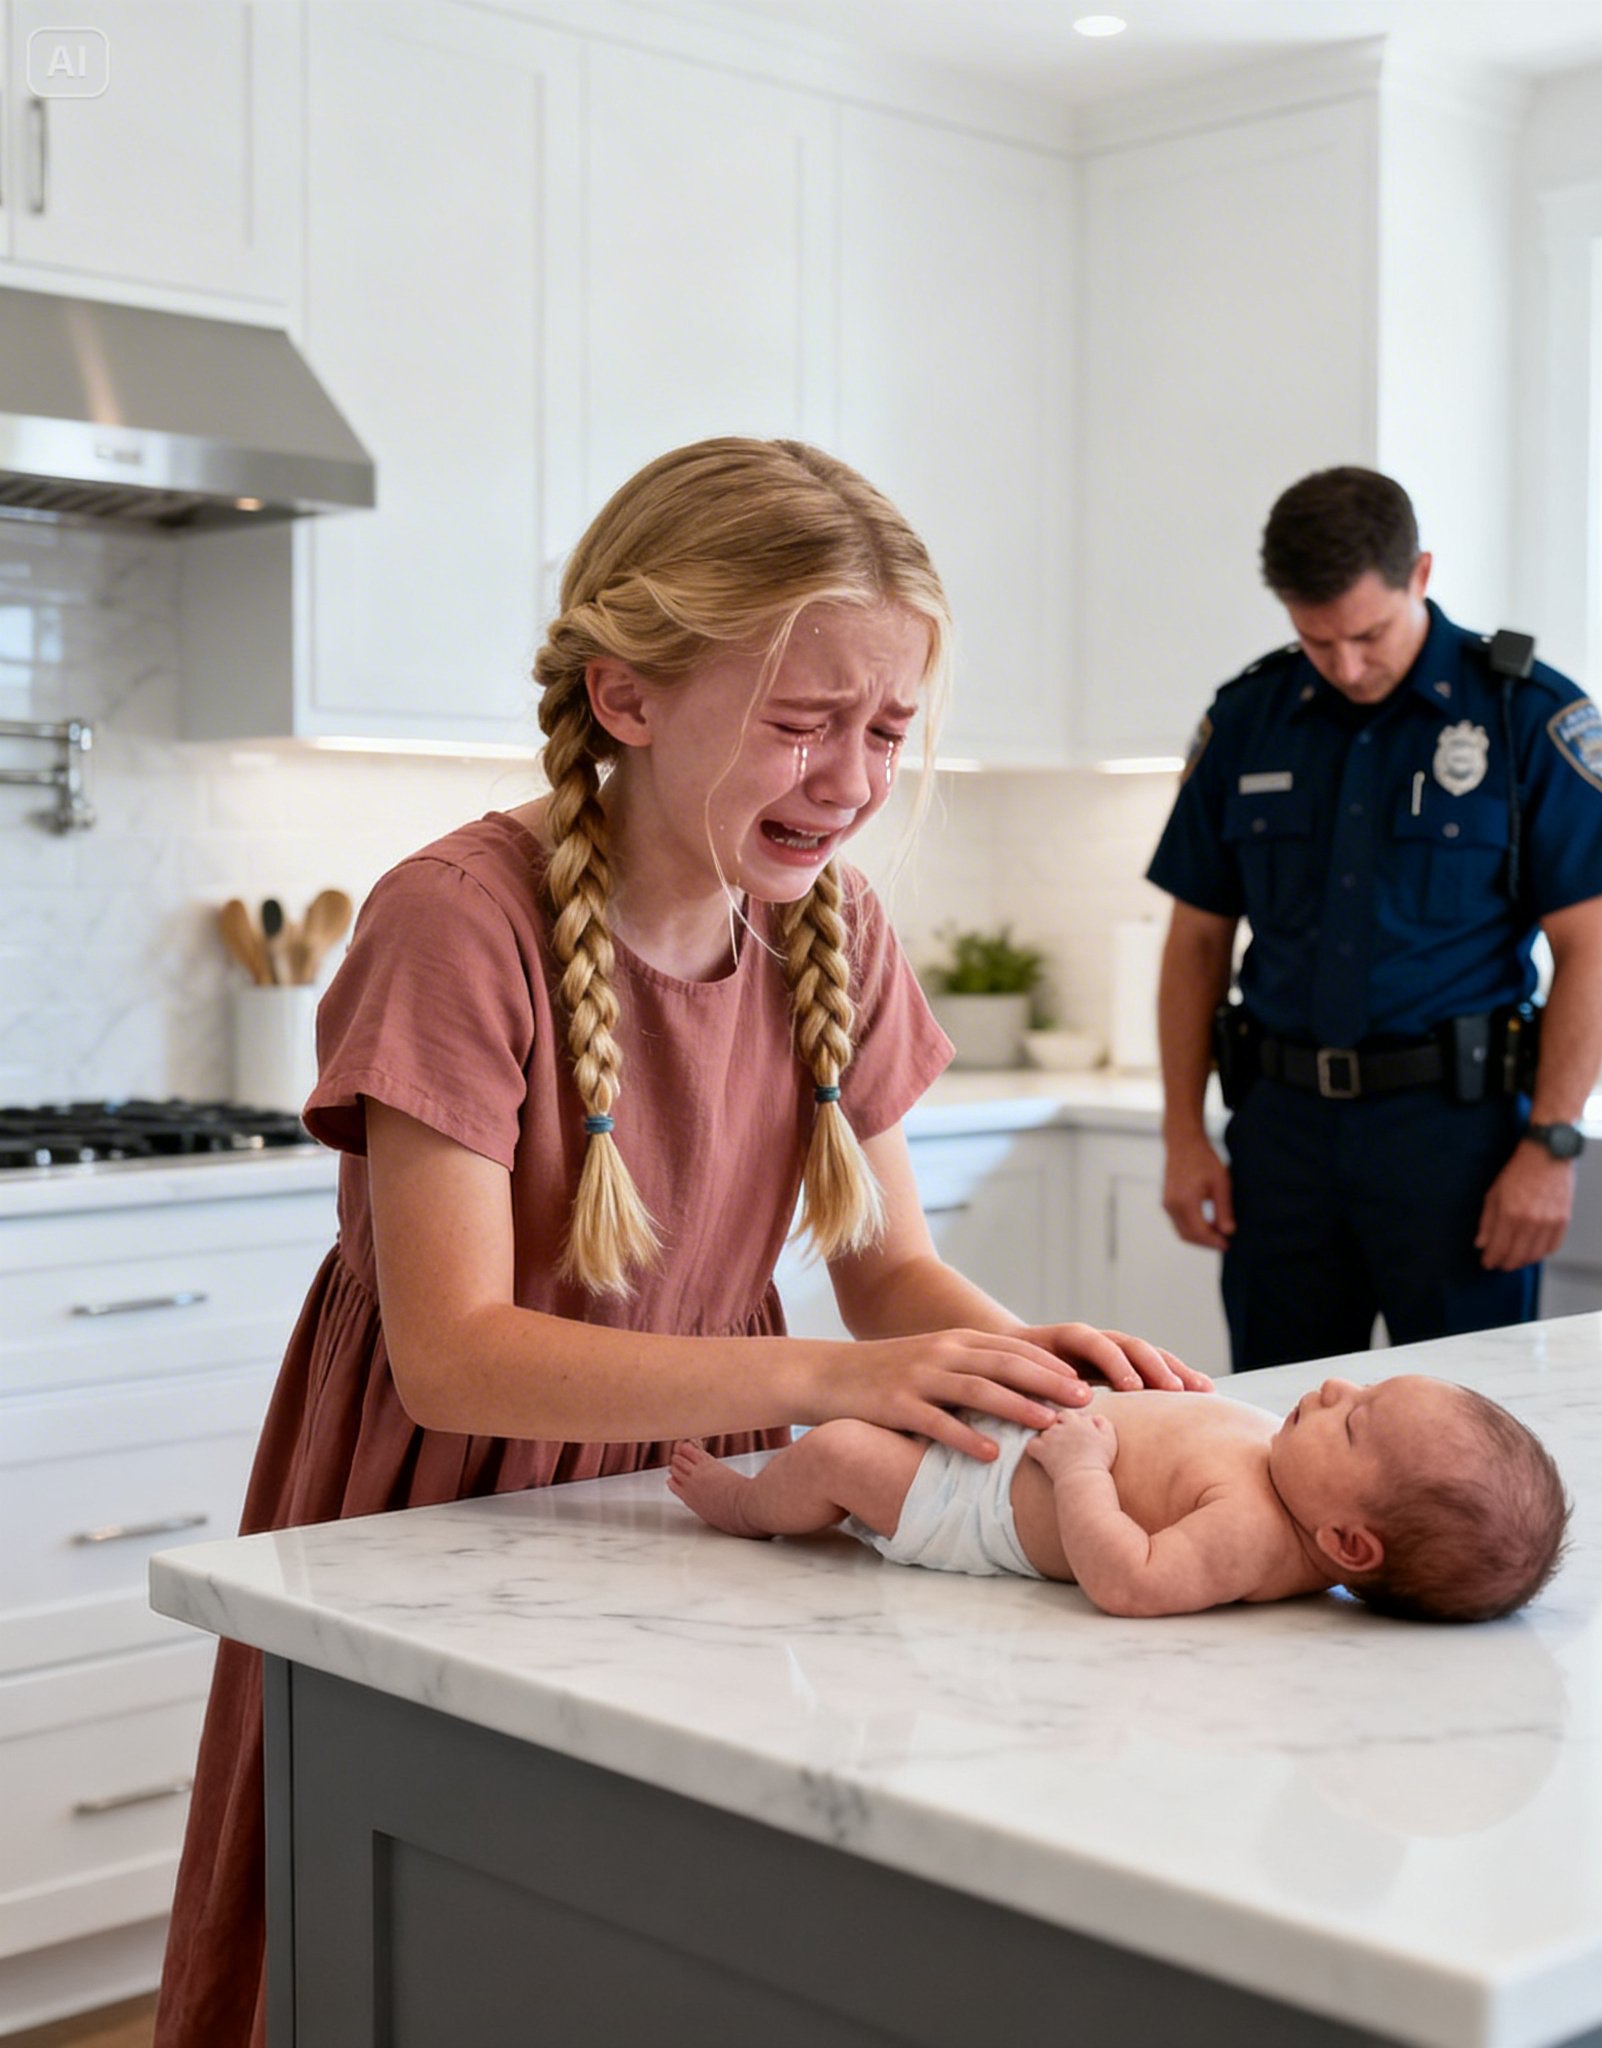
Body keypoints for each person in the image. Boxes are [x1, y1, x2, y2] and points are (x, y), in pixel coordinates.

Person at [155, 438, 1207, 2048]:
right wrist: (841, 1372)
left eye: (886, 731)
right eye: (800, 725)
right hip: (429, 1517)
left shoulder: (834, 927)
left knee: (639, 1945)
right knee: (410, 1956)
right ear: (627, 696)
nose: (851, 780)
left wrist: (1033, 1378)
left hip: (698, 1498)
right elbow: (451, 1358)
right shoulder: (456, 920)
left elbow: (888, 1272)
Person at [1147, 466, 1602, 1373]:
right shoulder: (1249, 718)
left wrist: (1553, 1145)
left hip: (1456, 1144)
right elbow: (1195, 942)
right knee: (1276, 1423)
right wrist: (1184, 1133)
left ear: (1420, 572)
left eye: (1368, 634)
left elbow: (1591, 951)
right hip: (1281, 1139)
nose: (1346, 666)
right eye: (1316, 641)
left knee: (1466, 1439)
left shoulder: (1528, 716)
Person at [670, 1372, 1569, 1624]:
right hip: (1021, 1442)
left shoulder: (1252, 1535)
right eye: (1365, 1390)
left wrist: (1082, 1474)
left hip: (974, 1508)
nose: (1334, 1391)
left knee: (838, 1453)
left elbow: (1129, 1580)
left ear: (1349, 1546)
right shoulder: (1290, 1474)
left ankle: (747, 1508)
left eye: (1356, 1426)